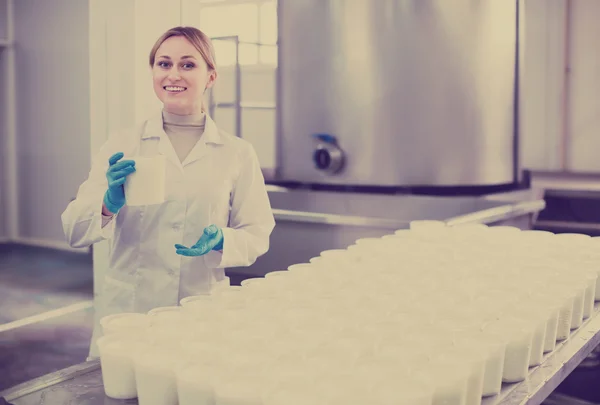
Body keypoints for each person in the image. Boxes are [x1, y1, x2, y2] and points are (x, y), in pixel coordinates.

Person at [61, 26, 276, 359]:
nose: (173, 74)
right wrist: (106, 204)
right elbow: (73, 229)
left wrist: (222, 240)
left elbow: (257, 233)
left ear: (211, 76)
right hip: (130, 314)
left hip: (200, 312)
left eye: (188, 65)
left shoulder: (237, 152)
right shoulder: (123, 144)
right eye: (164, 64)